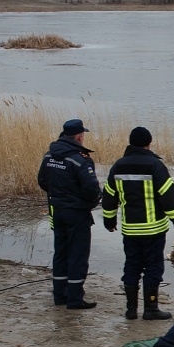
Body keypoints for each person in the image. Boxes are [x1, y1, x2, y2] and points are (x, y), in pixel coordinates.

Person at [102, 126, 174, 321]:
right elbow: (168, 195)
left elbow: (109, 195)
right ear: (149, 143)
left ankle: (131, 310)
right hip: (154, 229)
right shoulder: (155, 165)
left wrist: (109, 220)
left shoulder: (118, 166)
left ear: (130, 143)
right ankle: (151, 309)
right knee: (153, 267)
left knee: (131, 266)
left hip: (130, 229)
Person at [37, 118, 101, 309]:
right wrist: (87, 203)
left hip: (57, 211)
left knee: (61, 253)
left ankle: (59, 296)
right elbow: (91, 189)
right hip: (76, 213)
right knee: (78, 255)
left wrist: (58, 195)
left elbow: (42, 181)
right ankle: (74, 299)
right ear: (79, 137)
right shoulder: (79, 159)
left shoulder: (49, 156)